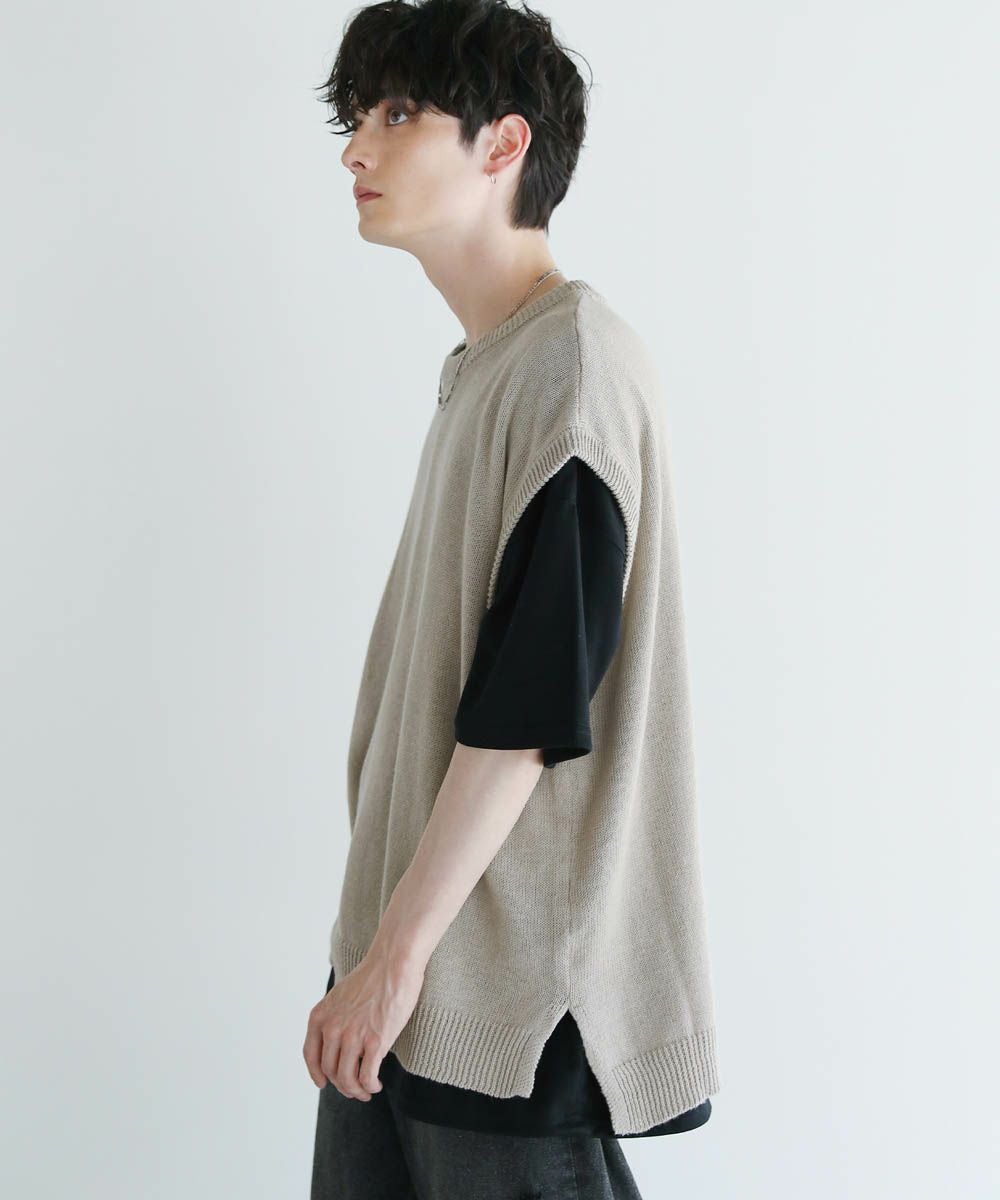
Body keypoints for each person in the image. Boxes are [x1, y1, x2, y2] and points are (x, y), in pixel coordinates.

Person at [303, 2, 722, 1196]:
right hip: (408, 995)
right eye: (355, 119)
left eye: (396, 114)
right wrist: (380, 964)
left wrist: (393, 962)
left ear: (503, 143)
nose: (356, 149)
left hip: (506, 1010)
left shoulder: (569, 372)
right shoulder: (493, 366)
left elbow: (528, 713)